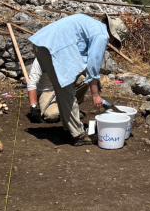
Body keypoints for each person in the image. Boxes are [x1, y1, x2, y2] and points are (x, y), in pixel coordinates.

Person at [29, 13, 127, 146]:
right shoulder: (102, 35)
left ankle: (70, 128)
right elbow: (93, 65)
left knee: (63, 89)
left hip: (44, 43)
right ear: (113, 34)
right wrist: (95, 95)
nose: (112, 43)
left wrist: (94, 79)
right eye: (115, 41)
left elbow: (79, 62)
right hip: (52, 47)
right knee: (67, 89)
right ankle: (78, 134)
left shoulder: (92, 26)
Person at [26, 59, 88, 124]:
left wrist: (93, 79)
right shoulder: (40, 59)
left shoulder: (66, 54)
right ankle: (66, 111)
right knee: (51, 116)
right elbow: (32, 83)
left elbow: (80, 68)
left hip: (64, 86)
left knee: (85, 80)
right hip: (47, 91)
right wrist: (33, 107)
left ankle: (72, 108)